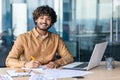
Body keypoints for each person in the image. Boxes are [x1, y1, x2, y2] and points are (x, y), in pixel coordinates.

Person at [6, 5, 74, 69]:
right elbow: (9, 61)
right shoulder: (23, 38)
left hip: (50, 73)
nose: (44, 21)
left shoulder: (56, 38)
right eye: (41, 18)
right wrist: (26, 64)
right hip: (28, 74)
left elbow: (69, 57)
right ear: (36, 20)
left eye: (48, 19)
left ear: (51, 22)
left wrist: (57, 63)